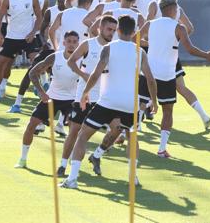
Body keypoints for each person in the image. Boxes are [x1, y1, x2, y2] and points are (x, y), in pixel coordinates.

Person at [60, 16, 158, 189]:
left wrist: (85, 93)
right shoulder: (140, 52)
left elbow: (96, 73)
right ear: (134, 32)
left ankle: (72, 178)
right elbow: (150, 79)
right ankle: (133, 178)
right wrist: (154, 102)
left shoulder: (108, 48)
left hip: (107, 101)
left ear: (118, 30)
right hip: (130, 104)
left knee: (82, 136)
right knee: (131, 138)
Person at [140, 0, 210, 158]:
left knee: (138, 105)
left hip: (148, 73)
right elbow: (190, 49)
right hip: (166, 75)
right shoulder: (178, 27)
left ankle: (124, 135)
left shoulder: (150, 24)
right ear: (173, 10)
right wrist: (206, 55)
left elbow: (135, 39)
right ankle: (161, 148)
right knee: (167, 111)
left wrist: (152, 44)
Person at [56, 15, 118, 177]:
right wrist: (83, 75)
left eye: (114, 30)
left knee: (118, 129)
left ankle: (97, 155)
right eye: (109, 29)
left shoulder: (115, 47)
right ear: (100, 28)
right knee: (75, 131)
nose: (111, 33)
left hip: (105, 97)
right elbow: (71, 61)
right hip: (84, 95)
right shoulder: (87, 44)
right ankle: (63, 165)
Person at [147, 0, 210, 129]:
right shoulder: (178, 9)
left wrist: (160, 40)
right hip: (172, 55)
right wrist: (177, 39)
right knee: (180, 87)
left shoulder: (154, 5)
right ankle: (204, 115)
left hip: (156, 55)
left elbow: (146, 30)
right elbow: (189, 28)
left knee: (146, 85)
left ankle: (140, 118)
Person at [15, 31, 81, 169]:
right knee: (32, 124)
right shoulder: (54, 57)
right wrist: (41, 92)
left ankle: (66, 162)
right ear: (63, 43)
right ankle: (22, 159)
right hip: (52, 98)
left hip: (72, 100)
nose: (72, 44)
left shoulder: (82, 59)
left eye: (75, 42)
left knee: (75, 129)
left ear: (78, 43)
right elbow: (33, 73)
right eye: (69, 41)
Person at [6, 0, 65, 115]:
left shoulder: (71, 12)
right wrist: (44, 42)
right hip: (51, 49)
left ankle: (64, 113)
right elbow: (43, 28)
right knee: (31, 71)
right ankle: (17, 103)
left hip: (66, 52)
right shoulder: (51, 11)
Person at [0, 0, 43, 102]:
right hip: (11, 38)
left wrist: (33, 32)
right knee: (1, 63)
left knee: (36, 62)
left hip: (28, 38)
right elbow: (0, 18)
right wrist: (0, 33)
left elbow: (39, 17)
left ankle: (38, 89)